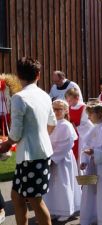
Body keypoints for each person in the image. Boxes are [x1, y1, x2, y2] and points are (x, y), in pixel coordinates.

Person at [0, 58, 56, 225]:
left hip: (31, 156)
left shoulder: (19, 98)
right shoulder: (45, 95)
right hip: (37, 154)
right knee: (17, 196)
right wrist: (39, 137)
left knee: (34, 200)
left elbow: (16, 133)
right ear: (38, 75)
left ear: (18, 75)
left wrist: (6, 144)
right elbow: (52, 124)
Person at [43, 100, 81, 222]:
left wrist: (54, 158)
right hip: (50, 157)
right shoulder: (50, 123)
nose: (56, 111)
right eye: (54, 109)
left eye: (59, 109)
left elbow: (67, 144)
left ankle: (67, 210)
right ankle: (53, 209)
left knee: (63, 182)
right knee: (52, 185)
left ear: (65, 111)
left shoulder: (66, 125)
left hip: (62, 159)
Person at [65, 88, 93, 162]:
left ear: (77, 98)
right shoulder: (69, 107)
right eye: (67, 101)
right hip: (72, 134)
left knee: (80, 155)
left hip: (81, 136)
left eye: (70, 100)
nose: (68, 103)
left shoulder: (84, 107)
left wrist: (76, 127)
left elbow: (87, 124)